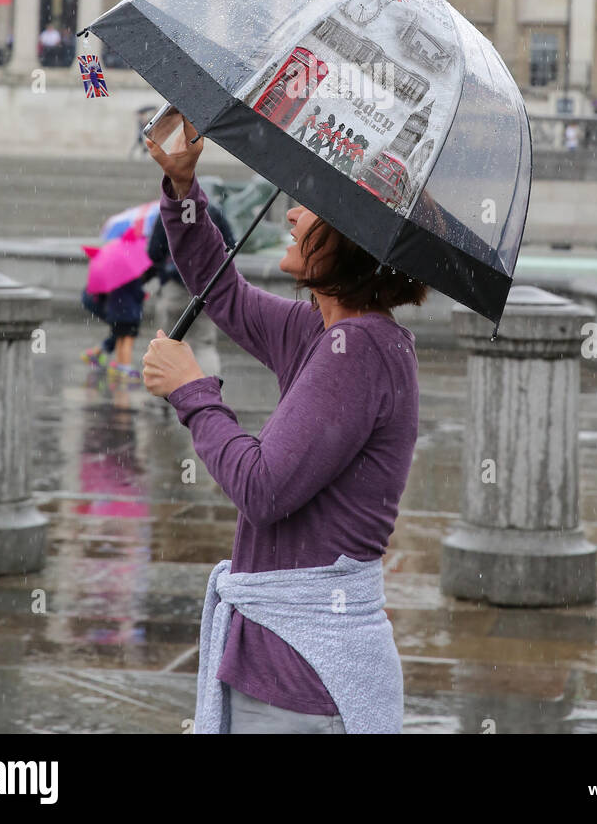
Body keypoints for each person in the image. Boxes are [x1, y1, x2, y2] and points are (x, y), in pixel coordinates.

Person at [142, 117, 426, 734]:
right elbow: (225, 297)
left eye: (313, 208)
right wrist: (184, 191)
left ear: (349, 239)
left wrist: (193, 391)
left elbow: (263, 488)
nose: (293, 215)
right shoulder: (327, 333)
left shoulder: (359, 349)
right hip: (286, 660)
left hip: (299, 678)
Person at [146, 202, 235, 374]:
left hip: (174, 288)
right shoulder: (214, 211)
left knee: (167, 344)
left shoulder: (168, 212)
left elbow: (153, 252)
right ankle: (207, 393)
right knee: (204, 344)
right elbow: (230, 245)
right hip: (206, 288)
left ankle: (166, 394)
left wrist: (164, 274)